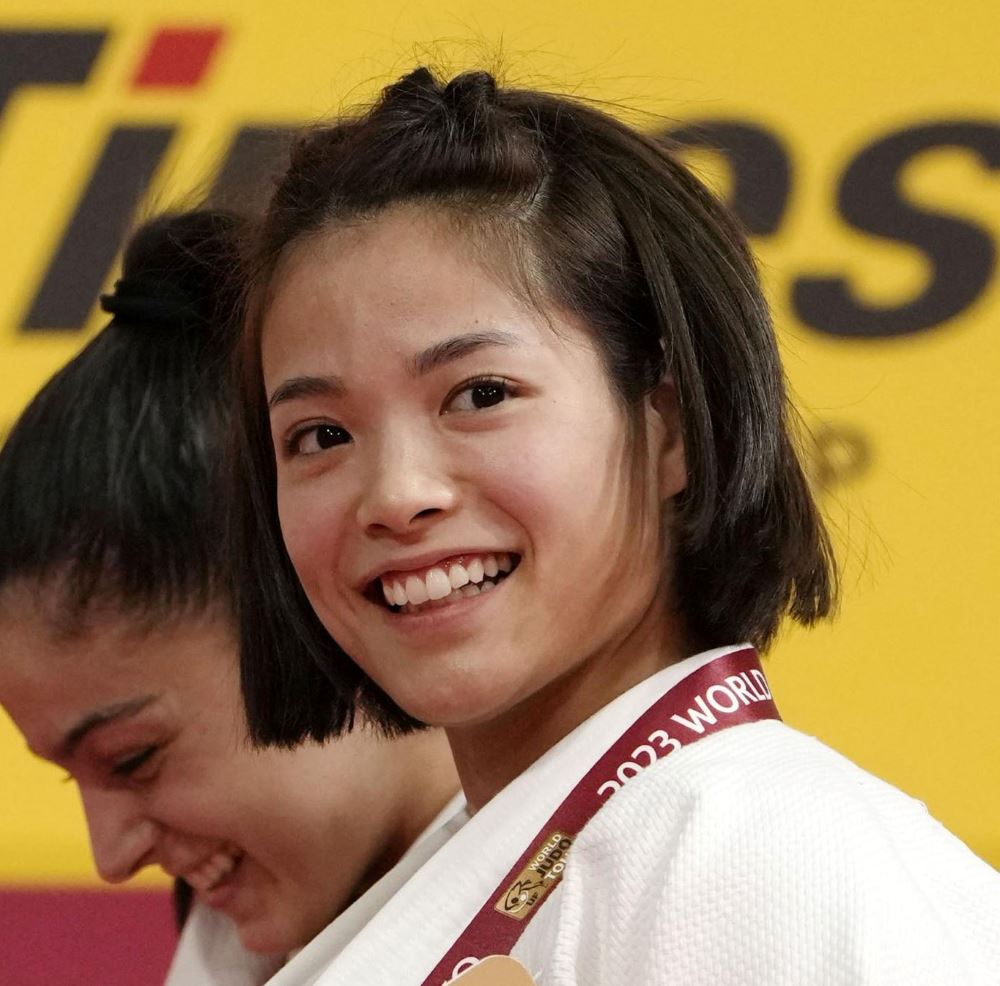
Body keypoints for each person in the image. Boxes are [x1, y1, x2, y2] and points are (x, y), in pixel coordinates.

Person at [232, 68, 1000, 985]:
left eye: (481, 394)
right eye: (320, 436)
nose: (396, 495)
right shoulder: (520, 866)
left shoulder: (765, 859)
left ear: (669, 424)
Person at [0, 209, 460, 985]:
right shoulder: (235, 955)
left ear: (305, 601)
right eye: (74, 778)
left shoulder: (632, 899)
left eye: (132, 759)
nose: (111, 857)